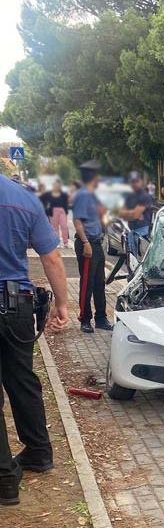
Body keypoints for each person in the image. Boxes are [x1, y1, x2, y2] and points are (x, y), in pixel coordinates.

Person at [1, 173, 69, 506]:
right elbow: (52, 257)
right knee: (22, 380)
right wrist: (62, 303)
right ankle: (39, 452)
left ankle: (4, 481)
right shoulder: (22, 197)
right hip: (17, 305)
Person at [72, 161, 112, 334]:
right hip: (86, 244)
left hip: (96, 243)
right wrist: (86, 243)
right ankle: (85, 319)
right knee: (87, 283)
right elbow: (77, 220)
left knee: (99, 283)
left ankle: (101, 318)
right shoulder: (82, 195)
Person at [119, 171, 154, 258]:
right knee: (132, 261)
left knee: (142, 261)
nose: (134, 184)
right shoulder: (128, 196)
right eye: (132, 181)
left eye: (136, 181)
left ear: (140, 182)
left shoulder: (145, 196)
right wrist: (133, 214)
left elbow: (134, 215)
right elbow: (121, 213)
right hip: (131, 233)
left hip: (143, 235)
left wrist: (130, 214)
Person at [40, 180, 70, 247]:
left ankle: (65, 242)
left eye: (57, 185)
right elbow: (41, 199)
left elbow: (67, 203)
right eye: (55, 185)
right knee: (54, 228)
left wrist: (66, 211)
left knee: (64, 226)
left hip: (62, 211)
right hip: (53, 211)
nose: (56, 186)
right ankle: (57, 242)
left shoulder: (63, 194)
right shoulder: (48, 194)